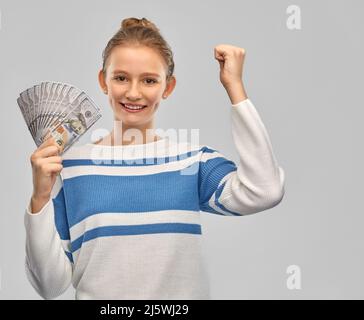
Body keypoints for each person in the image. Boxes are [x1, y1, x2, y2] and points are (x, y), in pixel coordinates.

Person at [24, 17, 285, 300]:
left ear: (168, 87)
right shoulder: (71, 167)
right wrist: (39, 198)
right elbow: (49, 286)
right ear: (104, 81)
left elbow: (265, 191)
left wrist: (235, 87)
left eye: (149, 80)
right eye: (121, 77)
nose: (133, 92)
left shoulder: (191, 162)